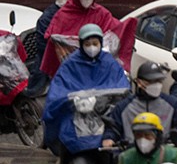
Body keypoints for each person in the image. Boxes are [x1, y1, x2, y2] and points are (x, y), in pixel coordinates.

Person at [43, 22, 130, 154]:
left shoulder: (109, 62)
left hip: (104, 112)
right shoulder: (71, 64)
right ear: (81, 44)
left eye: (95, 44)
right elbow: (58, 89)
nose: (91, 48)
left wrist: (105, 100)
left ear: (101, 43)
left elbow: (121, 86)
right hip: (76, 112)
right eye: (87, 44)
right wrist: (69, 100)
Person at [40, 0, 135, 77]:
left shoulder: (100, 12)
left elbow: (115, 30)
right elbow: (52, 40)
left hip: (98, 65)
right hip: (72, 67)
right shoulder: (64, 14)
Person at [107, 62, 177, 149]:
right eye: (151, 82)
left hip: (163, 152)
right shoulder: (123, 106)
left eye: (159, 81)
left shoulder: (172, 103)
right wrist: (109, 138)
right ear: (139, 82)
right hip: (131, 152)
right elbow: (113, 128)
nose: (156, 85)